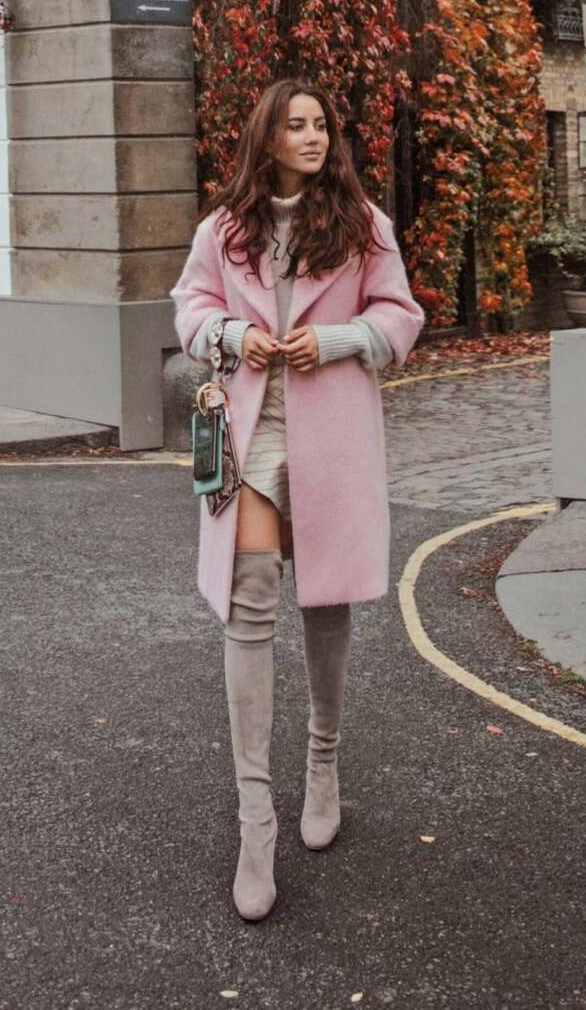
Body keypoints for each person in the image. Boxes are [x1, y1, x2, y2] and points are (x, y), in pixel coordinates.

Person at [170, 78, 425, 922]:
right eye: (297, 125)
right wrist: (233, 335)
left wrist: (345, 337)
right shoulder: (225, 229)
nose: (314, 137)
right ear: (267, 139)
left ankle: (323, 762)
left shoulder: (360, 223)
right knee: (250, 606)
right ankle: (255, 823)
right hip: (251, 437)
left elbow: (401, 314)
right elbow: (191, 307)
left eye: (321, 125)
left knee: (323, 603)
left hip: (331, 435)